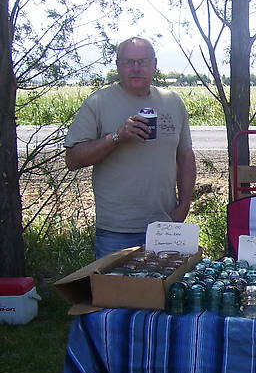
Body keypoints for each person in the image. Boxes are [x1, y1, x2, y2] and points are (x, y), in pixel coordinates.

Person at [65, 37, 196, 258]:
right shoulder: (99, 102)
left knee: (167, 282)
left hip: (165, 227)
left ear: (154, 65)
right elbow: (73, 159)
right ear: (118, 66)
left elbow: (185, 156)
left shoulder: (172, 102)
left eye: (143, 62)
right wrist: (117, 136)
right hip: (117, 231)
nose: (136, 68)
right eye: (128, 62)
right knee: (115, 283)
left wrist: (184, 205)